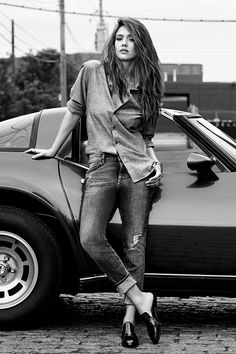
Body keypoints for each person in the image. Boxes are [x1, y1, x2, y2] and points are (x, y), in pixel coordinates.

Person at [26, 17, 164, 348]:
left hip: (138, 171)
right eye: (119, 38)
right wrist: (53, 149)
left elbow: (146, 137)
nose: (123, 43)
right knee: (89, 236)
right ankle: (141, 299)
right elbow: (73, 111)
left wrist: (156, 161)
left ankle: (129, 320)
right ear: (111, 43)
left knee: (134, 245)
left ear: (141, 44)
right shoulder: (92, 71)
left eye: (130, 38)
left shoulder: (149, 84)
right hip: (101, 167)